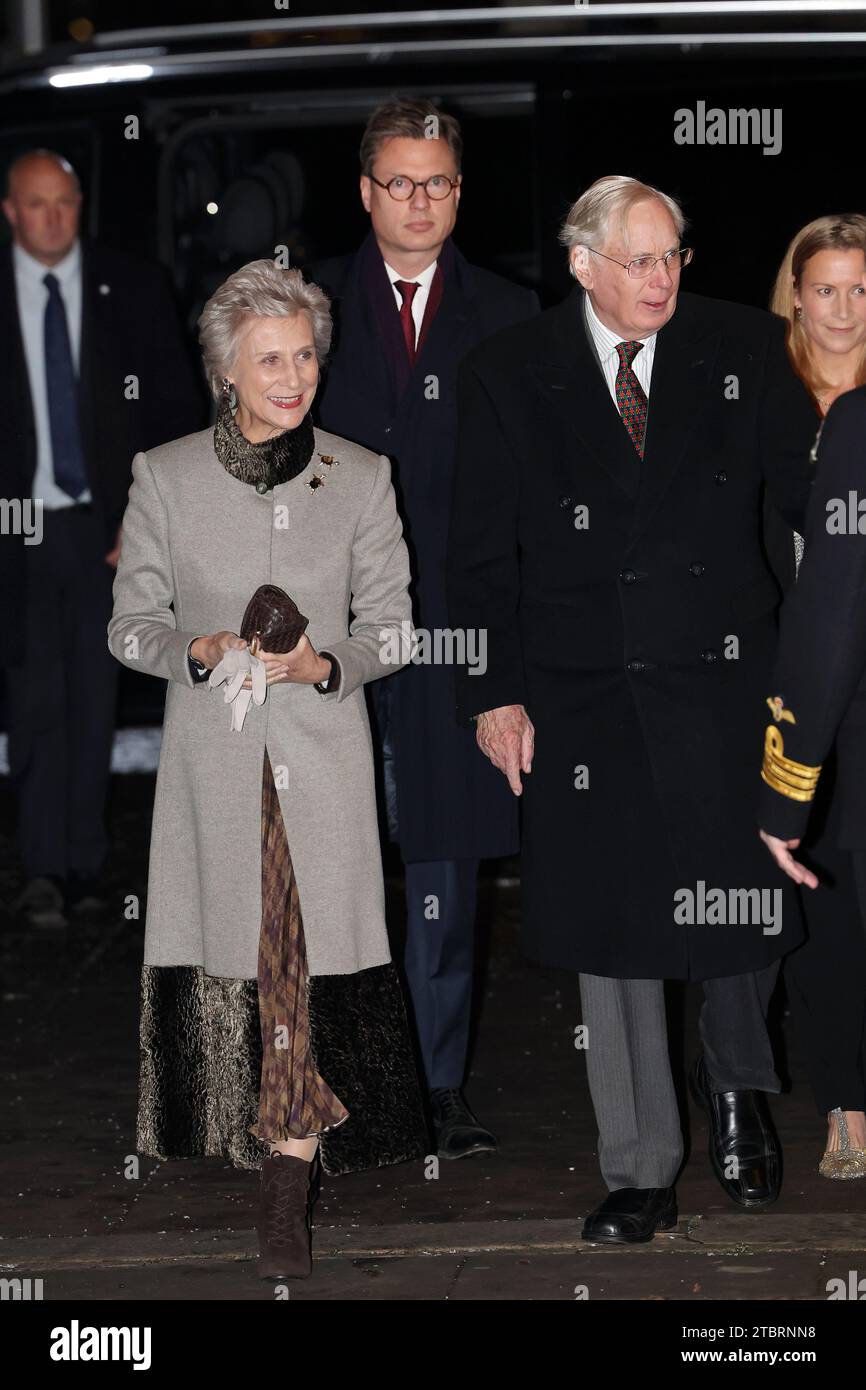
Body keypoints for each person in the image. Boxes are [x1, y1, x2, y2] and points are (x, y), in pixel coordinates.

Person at [447, 174, 818, 1244]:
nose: (661, 278)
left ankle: (739, 1088)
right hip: (581, 691)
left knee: (740, 898)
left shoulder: (743, 348)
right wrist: (491, 691)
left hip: (724, 675)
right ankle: (639, 1165)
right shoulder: (507, 373)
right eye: (638, 260)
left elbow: (802, 501)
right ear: (581, 265)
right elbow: (478, 553)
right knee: (609, 931)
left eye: (672, 256)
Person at [106, 258, 428, 1279]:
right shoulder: (164, 475)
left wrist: (322, 665)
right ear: (224, 371)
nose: (292, 378)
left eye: (304, 357)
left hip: (320, 775)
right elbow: (129, 628)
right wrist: (193, 652)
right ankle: (272, 1142)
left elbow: (394, 634)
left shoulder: (361, 477)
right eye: (269, 359)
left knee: (295, 970)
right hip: (214, 777)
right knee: (245, 972)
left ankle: (286, 1185)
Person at [305, 97, 539, 1159]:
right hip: (327, 636)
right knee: (330, 869)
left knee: (446, 870)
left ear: (458, 191)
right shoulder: (303, 306)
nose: (417, 200)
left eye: (436, 181)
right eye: (397, 182)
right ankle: (344, 1085)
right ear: (365, 192)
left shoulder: (508, 313)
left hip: (455, 637)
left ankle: (438, 1085)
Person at [0, 148, 203, 927]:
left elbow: (173, 409)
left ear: (79, 204)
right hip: (18, 530)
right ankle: (42, 865)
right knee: (34, 697)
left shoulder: (132, 286)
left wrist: (146, 515)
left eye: (65, 201)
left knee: (95, 695)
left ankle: (83, 862)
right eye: (36, 203)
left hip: (104, 529)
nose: (53, 217)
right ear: (12, 212)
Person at [759, 217, 866, 1178]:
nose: (840, 309)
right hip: (788, 682)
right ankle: (845, 1103)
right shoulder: (760, 395)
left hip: (849, 677)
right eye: (823, 288)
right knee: (824, 903)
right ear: (794, 294)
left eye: (859, 289)